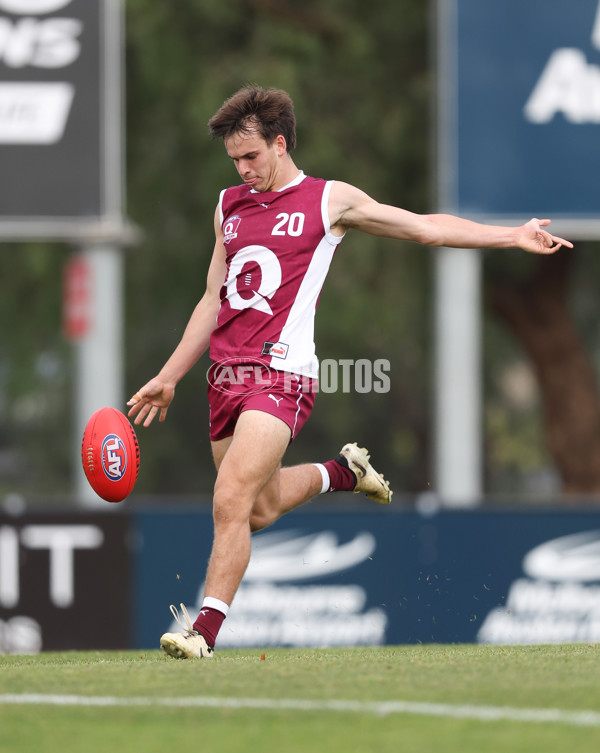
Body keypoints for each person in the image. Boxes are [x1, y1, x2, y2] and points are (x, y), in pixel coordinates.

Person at [127, 85, 572, 659]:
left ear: (280, 144)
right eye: (234, 160)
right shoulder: (228, 206)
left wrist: (510, 235)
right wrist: (171, 375)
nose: (242, 169)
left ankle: (202, 633)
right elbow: (213, 297)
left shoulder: (326, 201)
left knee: (229, 498)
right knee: (256, 510)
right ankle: (341, 472)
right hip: (225, 378)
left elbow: (424, 227)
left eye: (251, 157)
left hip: (283, 375)